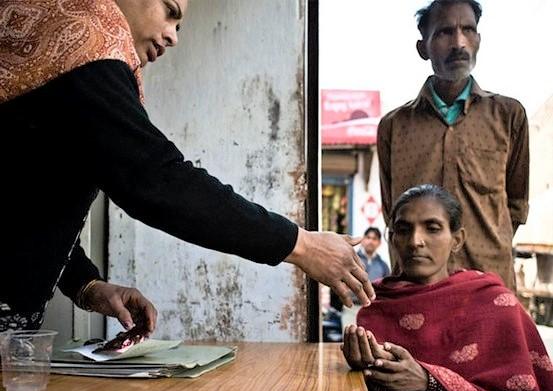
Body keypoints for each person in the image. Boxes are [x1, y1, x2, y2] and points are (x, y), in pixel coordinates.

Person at [0, 0, 375, 335]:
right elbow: (157, 179)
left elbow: (25, 198)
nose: (173, 36)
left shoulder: (64, 46)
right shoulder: (86, 31)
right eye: (170, 12)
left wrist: (87, 286)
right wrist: (303, 245)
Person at [342, 185, 553, 391]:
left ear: (457, 239)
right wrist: (377, 376)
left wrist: (429, 382)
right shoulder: (376, 308)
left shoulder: (496, 304)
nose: (415, 241)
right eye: (403, 230)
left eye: (432, 228)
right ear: (392, 238)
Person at [377, 0, 529, 290]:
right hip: (417, 288)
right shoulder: (394, 126)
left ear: (479, 40)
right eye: (445, 32)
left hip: (489, 282)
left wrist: (487, 240)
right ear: (423, 48)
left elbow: (516, 205)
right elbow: (391, 210)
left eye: (468, 30)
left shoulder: (508, 115)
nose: (459, 42)